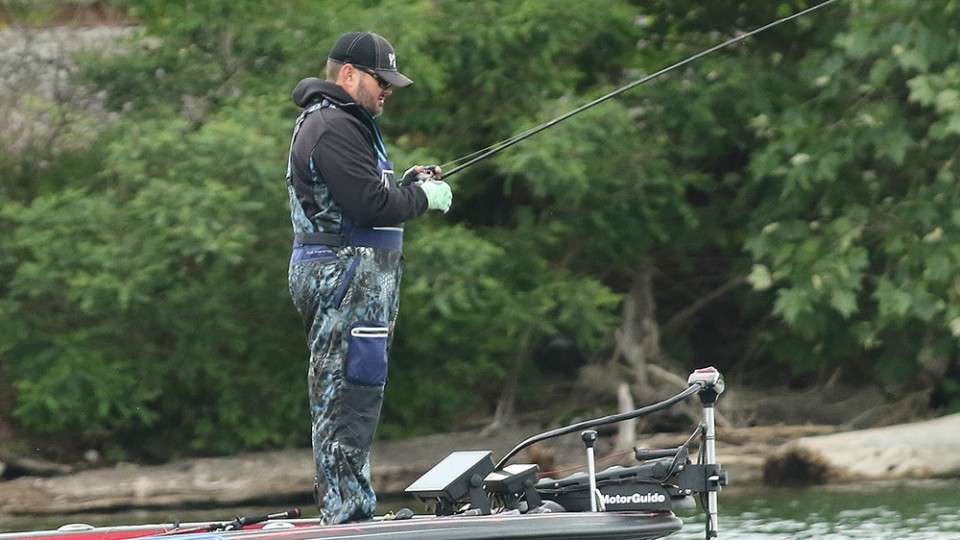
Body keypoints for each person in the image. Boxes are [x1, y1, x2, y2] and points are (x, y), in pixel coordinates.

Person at [284, 31, 452, 524]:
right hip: (345, 281)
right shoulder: (333, 125)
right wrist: (422, 198)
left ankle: (348, 510)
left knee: (357, 392)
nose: (388, 90)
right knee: (347, 397)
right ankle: (347, 517)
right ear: (349, 74)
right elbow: (369, 206)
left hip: (355, 282)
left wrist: (408, 185)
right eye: (382, 80)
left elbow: (361, 199)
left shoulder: (342, 123)